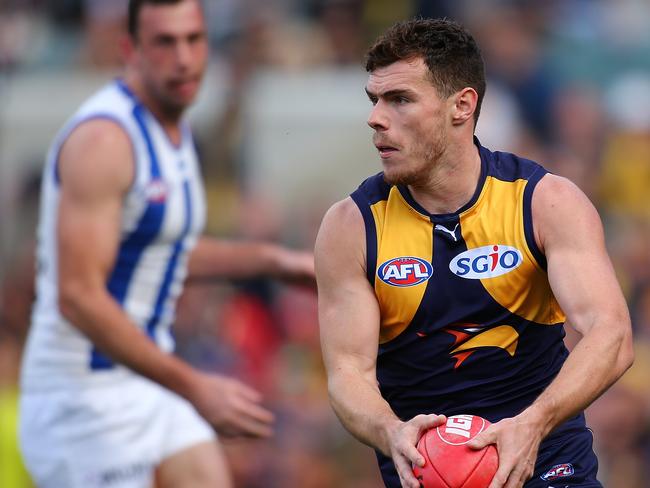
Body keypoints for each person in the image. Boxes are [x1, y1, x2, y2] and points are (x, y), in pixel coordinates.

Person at [315, 18, 634, 488]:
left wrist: (534, 423)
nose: (375, 118)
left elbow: (612, 335)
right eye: (375, 100)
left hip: (548, 467)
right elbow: (347, 374)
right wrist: (390, 430)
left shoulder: (544, 202)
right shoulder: (351, 227)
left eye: (399, 99)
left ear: (462, 105)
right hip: (425, 474)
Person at [19, 1, 314, 487]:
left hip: (145, 384)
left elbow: (159, 253)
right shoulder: (105, 141)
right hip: (81, 401)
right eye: (164, 42)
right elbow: (77, 295)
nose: (183, 58)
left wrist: (273, 261)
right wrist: (195, 385)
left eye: (193, 40)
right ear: (129, 50)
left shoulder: (171, 129)